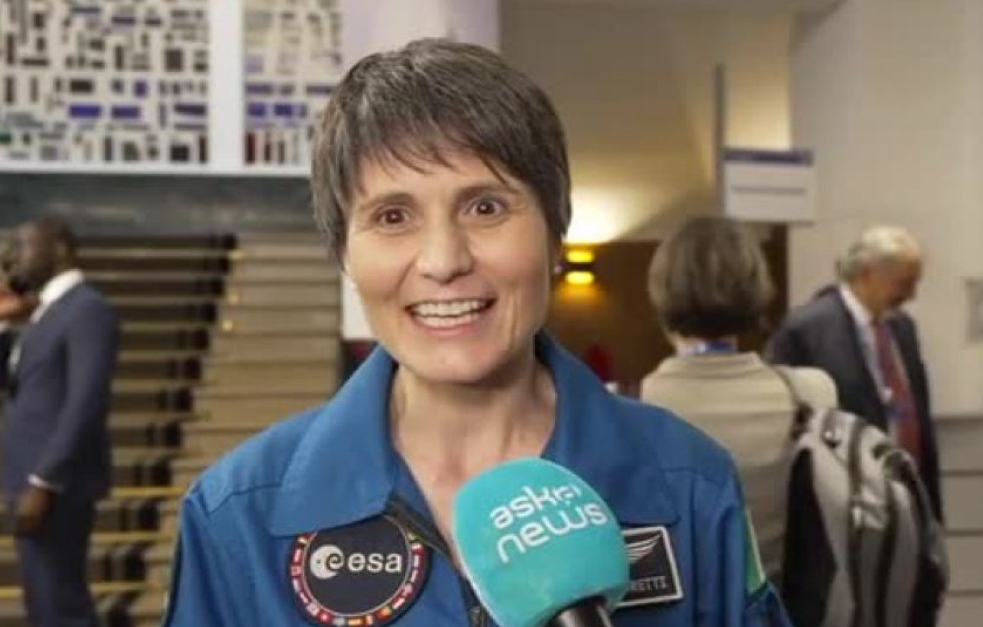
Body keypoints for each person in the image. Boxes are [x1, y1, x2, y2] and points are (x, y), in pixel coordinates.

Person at [163, 39, 790, 626]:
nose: (443, 261)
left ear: (555, 234)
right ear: (344, 255)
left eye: (485, 207)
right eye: (393, 216)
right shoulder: (238, 516)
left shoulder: (688, 481)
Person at [640, 215, 837, 585]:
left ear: (662, 291)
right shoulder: (813, 392)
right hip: (790, 603)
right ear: (757, 289)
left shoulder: (629, 408)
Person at [0, 217, 119, 627]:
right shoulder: (46, 311)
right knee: (43, 604)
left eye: (22, 245)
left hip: (54, 484)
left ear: (59, 249)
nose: (9, 257)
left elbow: (86, 401)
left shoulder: (87, 309)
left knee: (60, 606)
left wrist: (44, 481)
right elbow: (10, 383)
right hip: (29, 479)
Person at [767, 225, 943, 519]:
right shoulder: (807, 330)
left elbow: (919, 415)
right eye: (903, 284)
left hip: (907, 496)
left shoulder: (903, 328)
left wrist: (931, 508)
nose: (911, 295)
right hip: (844, 502)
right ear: (867, 274)